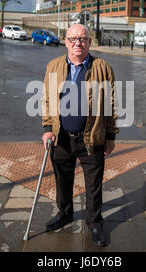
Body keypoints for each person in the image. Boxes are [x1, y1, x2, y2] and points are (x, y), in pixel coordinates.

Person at [41, 24, 118, 247]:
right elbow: (47, 100)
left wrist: (110, 136)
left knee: (93, 184)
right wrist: (47, 129)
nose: (78, 43)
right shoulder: (53, 66)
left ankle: (94, 223)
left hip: (91, 138)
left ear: (90, 42)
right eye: (73, 39)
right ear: (65, 42)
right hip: (61, 137)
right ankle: (65, 213)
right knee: (62, 180)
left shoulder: (103, 67)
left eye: (83, 39)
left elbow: (111, 104)